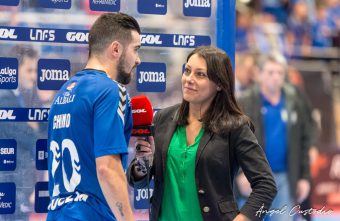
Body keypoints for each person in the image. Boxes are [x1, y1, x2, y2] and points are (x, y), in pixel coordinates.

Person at [128, 46, 277, 221]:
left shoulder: (235, 126)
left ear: (219, 84)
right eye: (188, 71)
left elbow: (266, 185)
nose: (189, 79)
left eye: (200, 74)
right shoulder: (163, 118)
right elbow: (137, 182)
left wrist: (243, 218)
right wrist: (143, 163)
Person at [46, 12, 141, 221]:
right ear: (116, 49)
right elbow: (107, 167)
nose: (138, 60)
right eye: (136, 50)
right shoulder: (111, 90)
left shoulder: (64, 92)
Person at [237, 51, 313, 221]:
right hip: (254, 178)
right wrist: (241, 173)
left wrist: (304, 177)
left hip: (284, 177)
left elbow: (303, 143)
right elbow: (236, 142)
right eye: (271, 72)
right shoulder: (245, 102)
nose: (276, 77)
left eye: (280, 72)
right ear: (259, 74)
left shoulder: (294, 100)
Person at [0, 44, 39, 221]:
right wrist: (32, 128)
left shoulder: (18, 97)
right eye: (29, 70)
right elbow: (27, 136)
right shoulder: (5, 98)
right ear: (15, 70)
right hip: (9, 184)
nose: (34, 76)